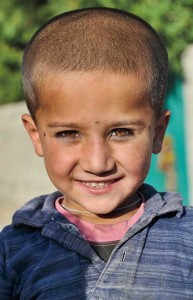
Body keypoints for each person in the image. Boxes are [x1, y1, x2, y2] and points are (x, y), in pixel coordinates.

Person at [0, 7, 192, 300]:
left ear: (157, 133)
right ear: (36, 136)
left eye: (121, 132)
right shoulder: (13, 250)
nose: (97, 163)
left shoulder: (187, 237)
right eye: (68, 134)